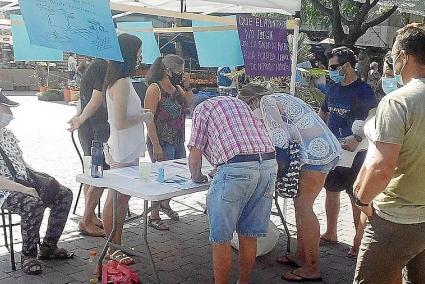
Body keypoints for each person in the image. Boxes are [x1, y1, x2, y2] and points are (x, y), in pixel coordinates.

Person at [238, 84, 341, 282]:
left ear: (252, 101)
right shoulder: (277, 98)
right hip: (318, 150)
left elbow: (279, 139)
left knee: (304, 206)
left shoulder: (267, 102)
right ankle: (301, 255)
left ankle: (312, 267)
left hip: (316, 154)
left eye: (247, 108)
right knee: (299, 205)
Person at [353, 23, 425, 284]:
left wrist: (361, 200)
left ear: (404, 56)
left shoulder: (398, 101)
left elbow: (381, 168)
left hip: (398, 220)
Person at [188, 96, 277, 284]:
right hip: (268, 164)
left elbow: (195, 154)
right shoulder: (237, 103)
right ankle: (243, 282)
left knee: (221, 238)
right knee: (249, 234)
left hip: (237, 168)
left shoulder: (201, 109)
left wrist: (197, 177)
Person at [0, 93, 73, 275]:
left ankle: (49, 246)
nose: (9, 113)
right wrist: (24, 189)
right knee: (32, 204)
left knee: (63, 193)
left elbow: (21, 164)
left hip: (21, 183)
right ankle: (28, 255)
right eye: (4, 108)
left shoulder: (7, 134)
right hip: (4, 190)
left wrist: (39, 179)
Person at [318, 47, 377, 257]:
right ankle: (331, 232)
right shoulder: (332, 88)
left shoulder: (364, 90)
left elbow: (373, 117)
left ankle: (358, 241)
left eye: (334, 66)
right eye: (330, 67)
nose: (331, 70)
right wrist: (319, 135)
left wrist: (358, 138)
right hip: (334, 151)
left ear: (347, 66)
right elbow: (323, 113)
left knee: (356, 197)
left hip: (357, 153)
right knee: (331, 191)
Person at [103, 33, 153, 264]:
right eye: (138, 52)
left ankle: (117, 243)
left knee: (122, 200)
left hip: (127, 148)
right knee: (117, 200)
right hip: (122, 150)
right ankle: (113, 247)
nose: (141, 57)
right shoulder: (121, 83)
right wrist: (143, 117)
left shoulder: (121, 80)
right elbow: (121, 121)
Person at [144, 55, 192, 230]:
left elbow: (189, 103)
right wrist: (156, 145)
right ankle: (154, 215)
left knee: (177, 175)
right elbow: (148, 119)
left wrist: (187, 86)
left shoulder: (176, 88)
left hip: (178, 139)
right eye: (179, 71)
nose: (181, 74)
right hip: (162, 140)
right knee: (160, 177)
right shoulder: (154, 89)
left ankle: (165, 203)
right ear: (167, 70)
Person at [67, 59, 109, 237]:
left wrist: (79, 117)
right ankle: (86, 220)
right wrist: (81, 118)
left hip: (88, 129)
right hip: (96, 130)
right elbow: (96, 98)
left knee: (91, 175)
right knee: (99, 175)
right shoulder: (102, 66)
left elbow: (82, 101)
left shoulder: (93, 67)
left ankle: (90, 216)